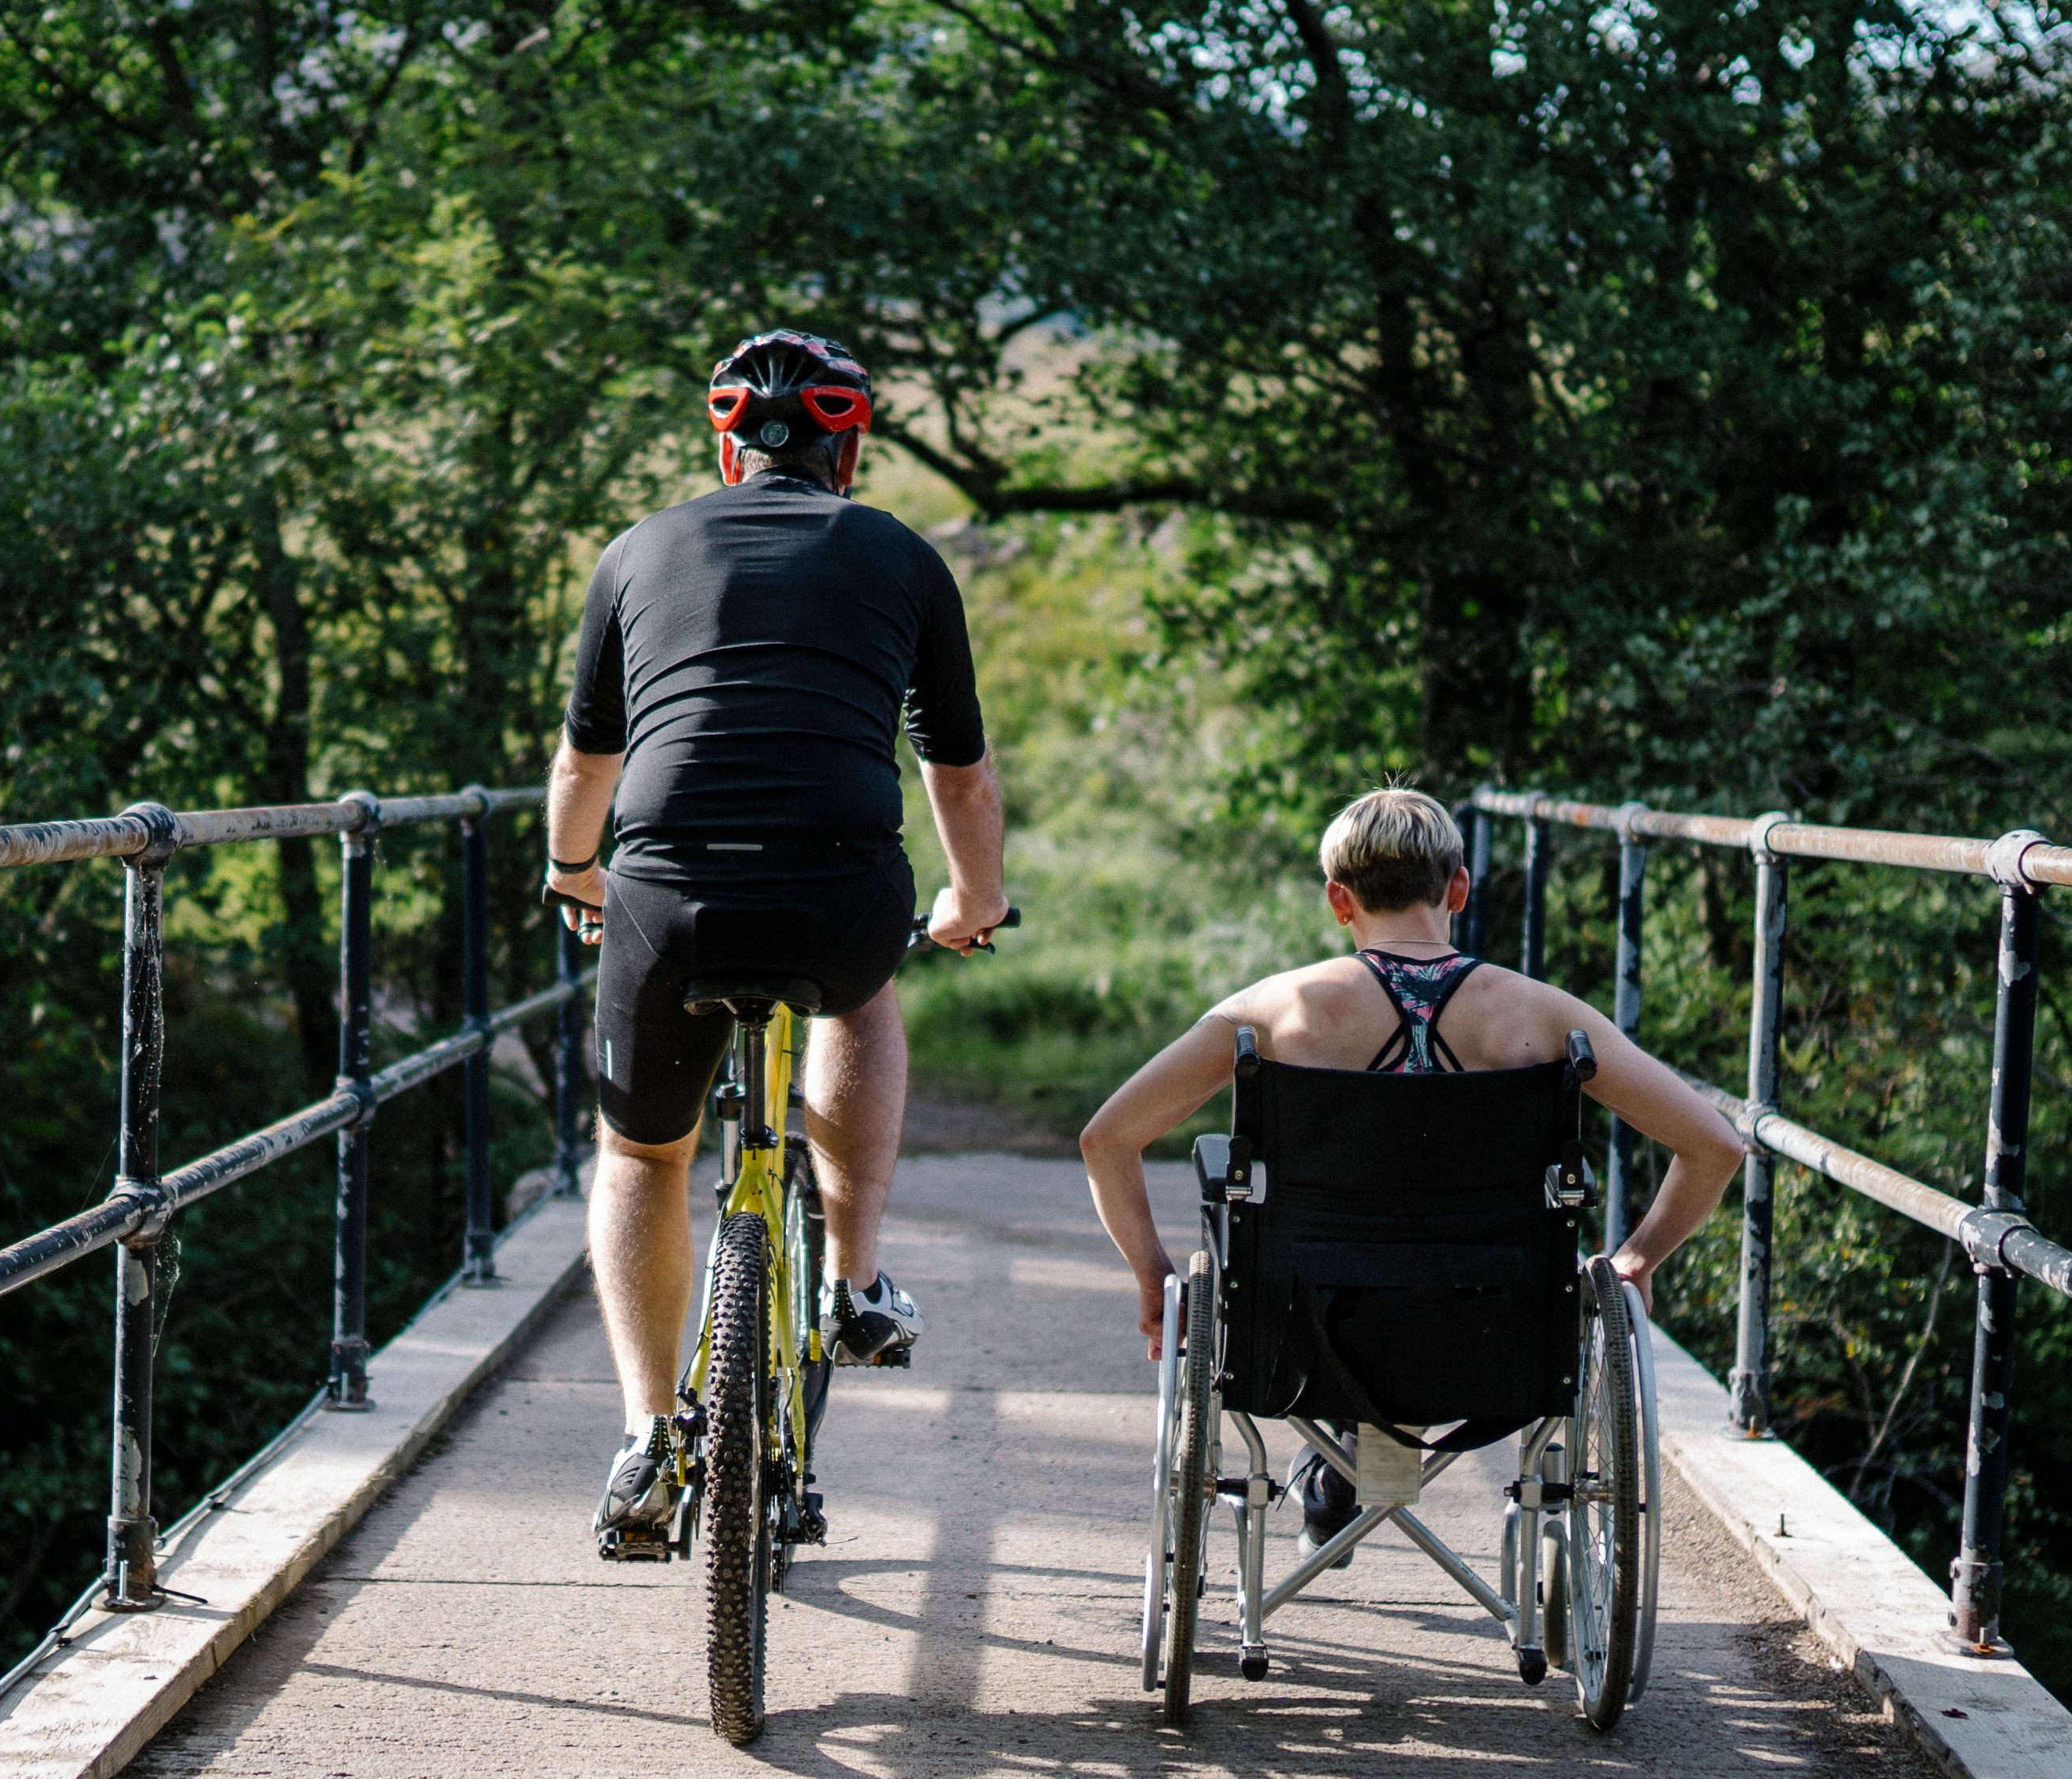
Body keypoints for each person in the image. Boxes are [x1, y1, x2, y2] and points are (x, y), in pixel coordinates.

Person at [547, 329, 1012, 1557]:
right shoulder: (902, 557)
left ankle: (650, 1437)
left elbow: (588, 761)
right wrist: (975, 902)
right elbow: (954, 771)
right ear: (847, 447)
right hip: (839, 889)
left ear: (725, 444)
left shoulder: (638, 551)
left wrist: (571, 872)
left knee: (642, 1158)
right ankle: (854, 1286)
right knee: (859, 1000)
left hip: (664, 892)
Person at [1075, 786, 1743, 1538]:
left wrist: (1154, 1278)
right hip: (1498, 1336)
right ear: (1458, 887)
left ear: (1339, 899)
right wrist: (1637, 1261)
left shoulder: (1270, 1013)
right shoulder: (1545, 1016)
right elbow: (1716, 1144)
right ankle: (1364, 1461)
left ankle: (1343, 1459)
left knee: (1330, 1281)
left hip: (1309, 1334)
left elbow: (1107, 1139)